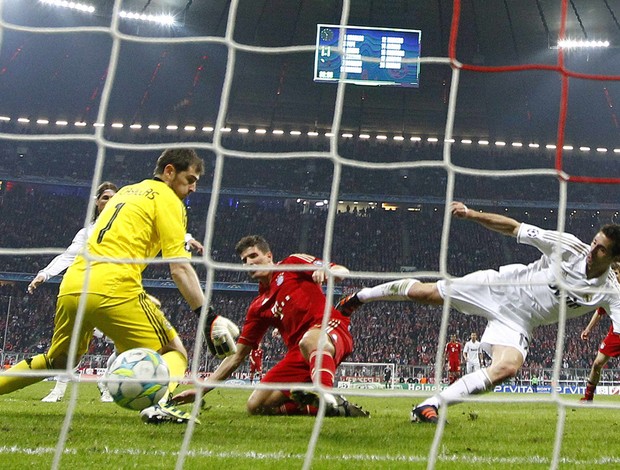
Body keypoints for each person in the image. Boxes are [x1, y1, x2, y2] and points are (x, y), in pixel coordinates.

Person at [0, 148, 239, 425]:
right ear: (170, 171)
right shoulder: (169, 201)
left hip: (73, 285)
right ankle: (158, 405)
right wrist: (208, 318)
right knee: (173, 352)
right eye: (190, 178)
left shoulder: (126, 192)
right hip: (114, 288)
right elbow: (180, 268)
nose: (194, 187)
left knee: (59, 361)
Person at [336, 201, 620, 424]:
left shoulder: (610, 292)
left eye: (601, 250)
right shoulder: (569, 247)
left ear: (615, 259)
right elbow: (514, 228)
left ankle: (430, 405)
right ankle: (360, 297)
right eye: (594, 243)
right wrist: (471, 214)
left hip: (520, 322)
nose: (591, 251)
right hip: (499, 288)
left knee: (508, 368)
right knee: (428, 294)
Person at [28, 182, 205, 403]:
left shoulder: (130, 222)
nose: (109, 202)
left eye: (113, 197)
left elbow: (161, 228)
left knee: (122, 345)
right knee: (70, 350)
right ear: (97, 202)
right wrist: (44, 274)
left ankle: (107, 383)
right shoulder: (88, 231)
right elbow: (68, 256)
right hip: (84, 290)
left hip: (115, 290)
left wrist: (186, 238)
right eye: (105, 198)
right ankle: (59, 389)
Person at [173, 235, 369, 417]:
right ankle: (333, 408)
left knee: (309, 340)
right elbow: (237, 356)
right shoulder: (258, 307)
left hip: (330, 330)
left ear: (269, 256)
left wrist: (327, 271)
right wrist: (201, 390)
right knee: (256, 405)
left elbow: (342, 271)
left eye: (253, 256)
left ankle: (326, 393)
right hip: (299, 353)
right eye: (244, 260)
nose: (249, 262)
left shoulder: (292, 264)